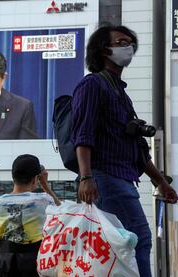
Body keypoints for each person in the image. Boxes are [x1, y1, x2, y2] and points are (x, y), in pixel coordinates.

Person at [71, 25, 178, 277]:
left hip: (121, 178)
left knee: (120, 244)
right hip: (105, 177)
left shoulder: (120, 91)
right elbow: (82, 134)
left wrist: (161, 182)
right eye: (120, 42)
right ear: (104, 49)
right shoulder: (93, 85)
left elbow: (137, 149)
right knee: (138, 237)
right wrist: (86, 177)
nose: (127, 47)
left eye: (130, 42)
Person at [0, 154, 61, 277]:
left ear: (13, 177)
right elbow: (64, 215)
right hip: (36, 265)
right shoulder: (45, 201)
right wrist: (45, 186)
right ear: (35, 179)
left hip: (6, 265)